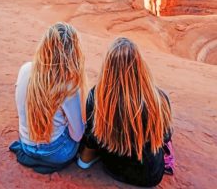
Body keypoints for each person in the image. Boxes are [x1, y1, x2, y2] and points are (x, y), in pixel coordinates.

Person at [78, 37, 173, 187]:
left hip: (113, 168)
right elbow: (165, 136)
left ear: (107, 66)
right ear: (140, 65)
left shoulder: (96, 97)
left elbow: (92, 136)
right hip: (150, 175)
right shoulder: (159, 99)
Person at [9, 22, 86, 174]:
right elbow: (77, 136)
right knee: (84, 129)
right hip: (55, 153)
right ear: (73, 52)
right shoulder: (68, 85)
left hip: (26, 144)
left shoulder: (25, 69)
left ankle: (33, 157)